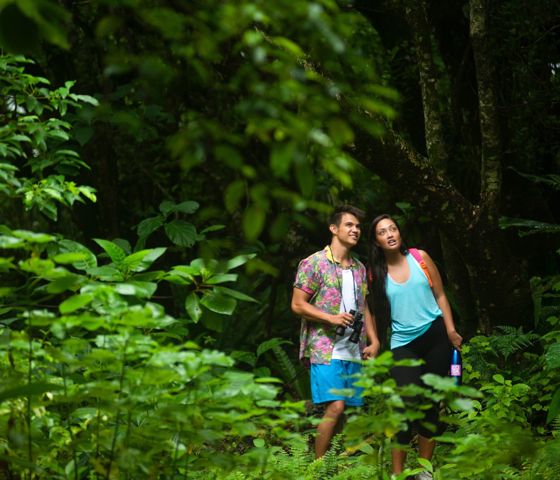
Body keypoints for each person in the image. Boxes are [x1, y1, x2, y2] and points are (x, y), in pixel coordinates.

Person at [366, 214, 462, 479]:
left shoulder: (420, 258)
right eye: (383, 232)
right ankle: (397, 474)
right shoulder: (375, 274)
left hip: (436, 337)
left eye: (393, 228)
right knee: (404, 405)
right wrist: (374, 341)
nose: (390, 234)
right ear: (377, 241)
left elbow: (440, 294)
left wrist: (451, 330)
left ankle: (424, 472)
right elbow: (369, 310)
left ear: (399, 232)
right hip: (402, 344)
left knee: (431, 404)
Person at [291, 205, 380, 458]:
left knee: (346, 409)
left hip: (353, 348)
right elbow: (297, 304)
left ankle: (334, 465)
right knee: (336, 406)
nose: (356, 230)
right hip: (324, 347)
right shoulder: (314, 263)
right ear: (334, 228)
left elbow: (364, 307)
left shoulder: (359, 268)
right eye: (349, 225)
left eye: (358, 226)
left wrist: (374, 341)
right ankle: (318, 468)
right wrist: (330, 318)